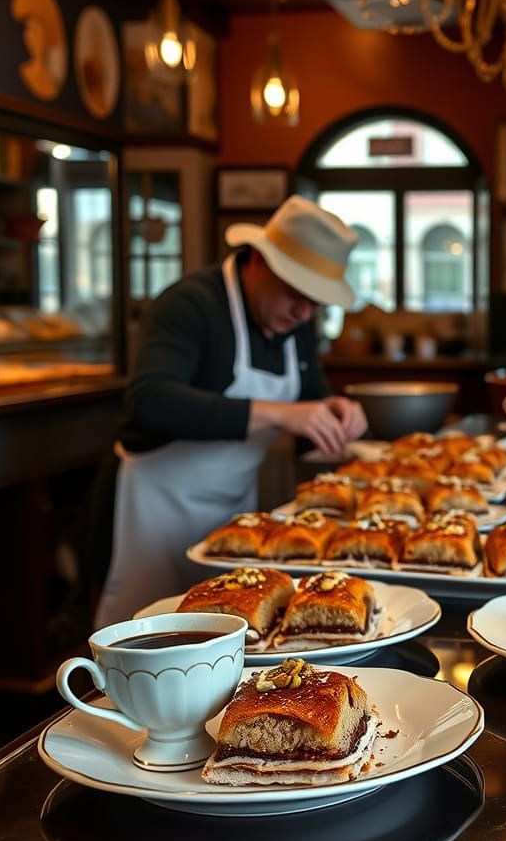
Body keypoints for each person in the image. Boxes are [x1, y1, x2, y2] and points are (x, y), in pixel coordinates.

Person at [94, 196, 367, 626]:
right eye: (296, 292)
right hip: (156, 509)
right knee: (145, 638)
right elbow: (150, 400)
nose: (303, 312)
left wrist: (335, 409)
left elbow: (311, 395)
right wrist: (277, 413)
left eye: (316, 302)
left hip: (233, 514)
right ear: (258, 259)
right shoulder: (190, 305)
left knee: (228, 636)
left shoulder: (294, 323)